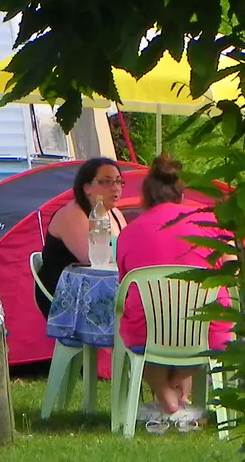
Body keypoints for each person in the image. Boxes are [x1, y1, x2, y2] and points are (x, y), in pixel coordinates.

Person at [115, 154, 229, 433]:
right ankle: (176, 394)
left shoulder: (129, 233)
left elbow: (125, 287)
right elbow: (228, 271)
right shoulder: (207, 225)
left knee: (136, 331)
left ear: (145, 196)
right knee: (217, 325)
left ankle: (166, 396)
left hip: (150, 331)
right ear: (181, 194)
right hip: (204, 330)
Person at [36, 156, 128, 316]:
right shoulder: (72, 215)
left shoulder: (116, 214)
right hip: (64, 294)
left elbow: (127, 251)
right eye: (106, 182)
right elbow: (95, 261)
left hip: (101, 289)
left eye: (119, 182)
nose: (115, 188)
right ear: (87, 187)